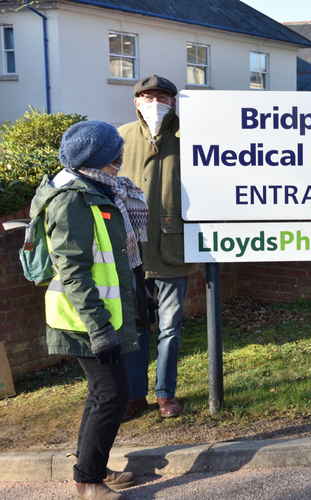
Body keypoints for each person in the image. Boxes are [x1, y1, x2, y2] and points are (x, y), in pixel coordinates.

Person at [32, 120, 149, 498]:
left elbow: (114, 257)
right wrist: (100, 329)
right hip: (84, 318)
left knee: (103, 392)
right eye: (115, 155)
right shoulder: (72, 200)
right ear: (97, 158)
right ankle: (87, 481)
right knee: (112, 394)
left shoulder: (98, 190)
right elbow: (74, 270)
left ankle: (90, 466)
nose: (120, 160)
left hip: (100, 314)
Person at [119, 74, 194, 419]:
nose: (155, 103)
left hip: (172, 251)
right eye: (147, 97)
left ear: (173, 101)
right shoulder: (119, 138)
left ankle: (165, 393)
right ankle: (135, 393)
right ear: (135, 102)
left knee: (170, 329)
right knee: (133, 330)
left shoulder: (189, 136)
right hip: (130, 252)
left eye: (162, 97)